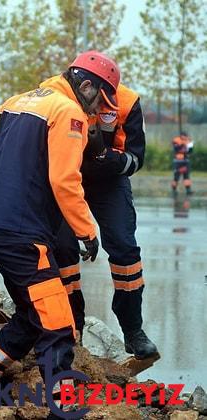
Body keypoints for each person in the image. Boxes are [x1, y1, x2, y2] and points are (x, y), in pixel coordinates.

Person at [0, 51, 120, 387]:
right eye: (99, 103)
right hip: (23, 234)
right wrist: (87, 231)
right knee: (58, 324)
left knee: (32, 317)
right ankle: (62, 405)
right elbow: (65, 180)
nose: (96, 112)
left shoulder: (21, 100)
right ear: (87, 85)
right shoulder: (69, 112)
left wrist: (13, 161)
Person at [53, 79, 158, 360]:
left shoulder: (127, 101)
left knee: (125, 248)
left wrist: (105, 157)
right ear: (83, 85)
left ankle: (133, 330)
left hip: (109, 180)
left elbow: (135, 158)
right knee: (62, 250)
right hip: (64, 175)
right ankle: (71, 330)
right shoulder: (56, 90)